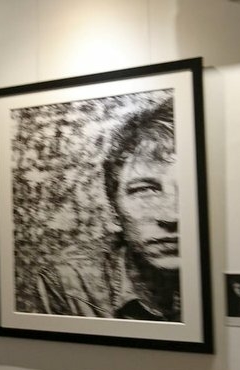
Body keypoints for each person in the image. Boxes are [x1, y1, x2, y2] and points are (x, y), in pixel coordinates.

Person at [36, 98, 181, 321]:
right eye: (145, 190)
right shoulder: (71, 280)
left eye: (191, 190)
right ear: (114, 207)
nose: (171, 216)